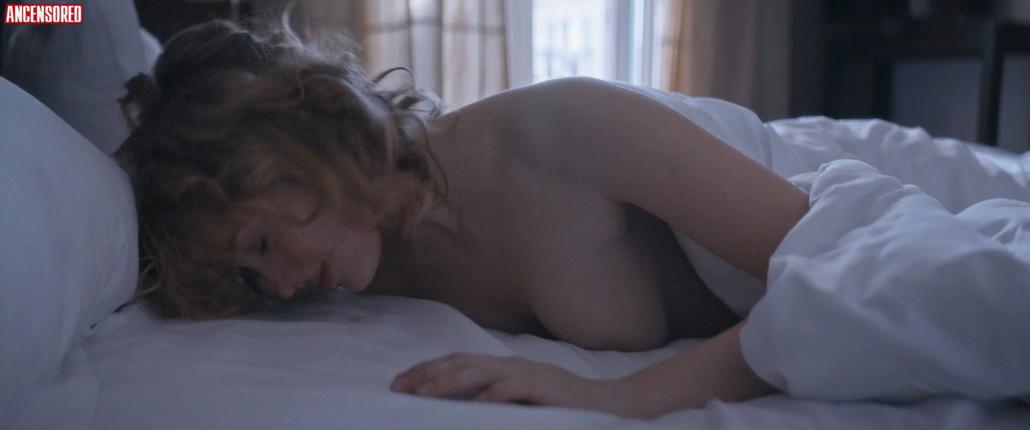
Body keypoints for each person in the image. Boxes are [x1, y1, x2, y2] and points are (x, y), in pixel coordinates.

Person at [116, 18, 819, 419]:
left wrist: (613, 396)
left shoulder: (567, 131)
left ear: (303, 139)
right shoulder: (373, 263)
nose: (281, 285)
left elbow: (828, 275)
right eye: (251, 276)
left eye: (263, 242)